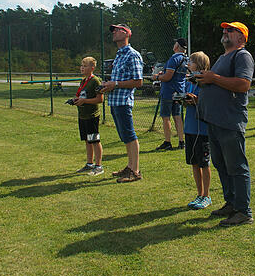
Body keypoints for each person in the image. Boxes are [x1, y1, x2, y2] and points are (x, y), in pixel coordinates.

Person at [197, 21, 254, 226]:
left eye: (230, 30)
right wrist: (204, 81)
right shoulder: (223, 57)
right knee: (221, 165)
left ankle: (243, 211)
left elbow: (243, 84)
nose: (225, 32)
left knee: (236, 166)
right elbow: (216, 82)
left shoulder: (242, 55)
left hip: (230, 120)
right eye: (224, 29)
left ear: (241, 37)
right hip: (215, 120)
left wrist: (214, 77)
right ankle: (231, 203)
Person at [100, 23, 144, 183]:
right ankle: (130, 166)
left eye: (117, 30)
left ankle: (135, 171)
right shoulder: (119, 55)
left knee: (130, 135)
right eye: (113, 30)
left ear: (127, 33)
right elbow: (119, 80)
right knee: (125, 136)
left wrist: (115, 84)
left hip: (124, 102)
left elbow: (138, 81)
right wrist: (108, 85)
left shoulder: (133, 55)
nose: (114, 32)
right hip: (115, 101)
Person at [183, 51, 212, 209]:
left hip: (203, 130)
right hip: (190, 128)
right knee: (194, 162)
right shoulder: (189, 81)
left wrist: (196, 100)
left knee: (204, 163)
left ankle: (206, 195)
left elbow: (208, 102)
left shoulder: (206, 82)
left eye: (191, 61)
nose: (188, 63)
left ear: (199, 64)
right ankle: (199, 194)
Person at [152, 38, 187, 151]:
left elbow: (168, 77)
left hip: (168, 92)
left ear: (177, 46)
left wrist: (157, 77)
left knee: (166, 117)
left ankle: (168, 142)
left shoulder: (174, 59)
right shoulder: (186, 59)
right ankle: (181, 141)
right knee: (177, 116)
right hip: (179, 91)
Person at [73, 57, 104, 175]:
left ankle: (99, 166)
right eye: (81, 65)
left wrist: (84, 102)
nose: (82, 68)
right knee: (87, 140)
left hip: (92, 116)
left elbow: (99, 99)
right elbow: (81, 95)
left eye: (85, 66)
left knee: (94, 140)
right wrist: (75, 100)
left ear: (92, 68)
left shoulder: (95, 81)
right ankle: (89, 163)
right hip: (82, 116)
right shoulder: (83, 81)